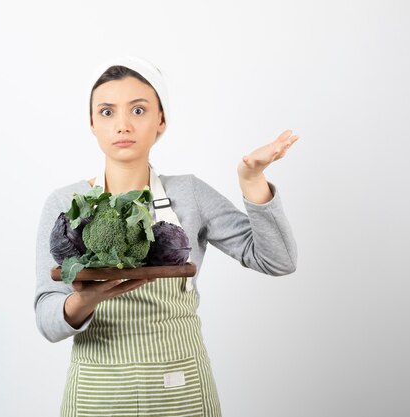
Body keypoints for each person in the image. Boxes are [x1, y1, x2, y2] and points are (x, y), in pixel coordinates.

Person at [34, 55, 299, 417]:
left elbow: (278, 260)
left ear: (161, 120)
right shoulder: (68, 204)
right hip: (98, 393)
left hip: (181, 388)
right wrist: (84, 301)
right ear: (92, 123)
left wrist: (252, 181)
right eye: (108, 112)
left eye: (138, 110)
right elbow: (47, 319)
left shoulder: (190, 194)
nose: (123, 125)